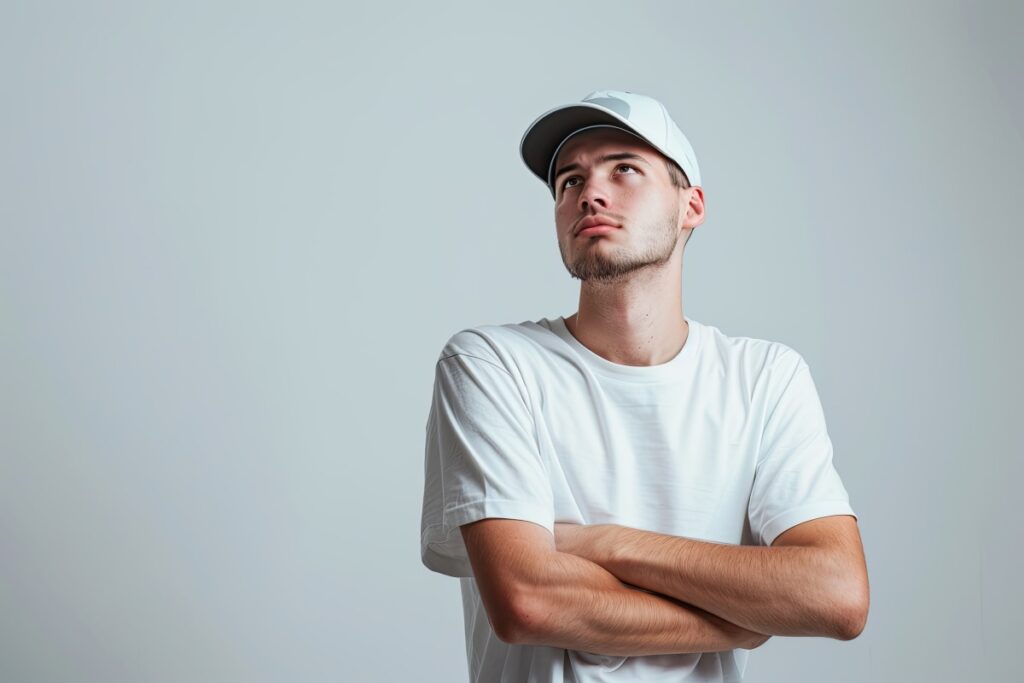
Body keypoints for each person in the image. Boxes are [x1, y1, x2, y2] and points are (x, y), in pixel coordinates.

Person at [419, 89, 869, 682]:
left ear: (692, 206)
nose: (590, 194)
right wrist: (745, 618)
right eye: (569, 182)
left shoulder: (764, 379)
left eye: (624, 169)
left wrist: (602, 544)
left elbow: (836, 594)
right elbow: (527, 600)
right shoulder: (492, 365)